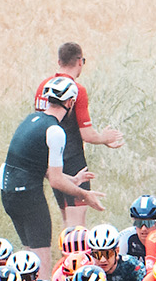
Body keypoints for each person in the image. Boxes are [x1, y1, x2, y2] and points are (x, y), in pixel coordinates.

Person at [1, 77, 104, 261]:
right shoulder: (55, 131)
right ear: (70, 103)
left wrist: (71, 180)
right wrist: (84, 194)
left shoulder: (31, 118)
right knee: (41, 259)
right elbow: (56, 181)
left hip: (8, 193)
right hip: (28, 194)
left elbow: (37, 166)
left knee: (28, 255)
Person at [35, 44, 124, 230]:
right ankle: (76, 259)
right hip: (74, 162)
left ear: (59, 62)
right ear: (79, 61)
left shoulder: (43, 86)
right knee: (78, 228)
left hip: (52, 163)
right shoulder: (76, 90)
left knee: (67, 223)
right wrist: (105, 138)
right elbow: (87, 135)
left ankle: (64, 258)